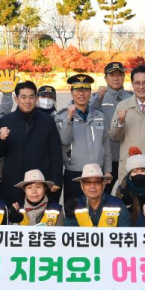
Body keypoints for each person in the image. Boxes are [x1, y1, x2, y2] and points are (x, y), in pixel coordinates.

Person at [0, 81, 63, 205]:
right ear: (16, 98)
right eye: (23, 97)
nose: (27, 101)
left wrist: (56, 179)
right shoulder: (6, 121)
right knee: (15, 218)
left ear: (36, 98)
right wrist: (1, 139)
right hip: (13, 181)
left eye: (31, 97)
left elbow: (55, 152)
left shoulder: (47, 121)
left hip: (40, 182)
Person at [56, 74, 111, 204]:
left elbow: (106, 145)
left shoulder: (99, 116)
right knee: (73, 211)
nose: (81, 93)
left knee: (97, 210)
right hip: (74, 172)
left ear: (90, 92)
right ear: (71, 92)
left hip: (97, 173)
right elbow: (64, 140)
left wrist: (108, 170)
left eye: (85, 89)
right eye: (77, 89)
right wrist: (69, 118)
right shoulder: (61, 117)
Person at [90, 61, 133, 188]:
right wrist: (98, 98)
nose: (116, 78)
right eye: (112, 75)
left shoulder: (132, 98)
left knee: (128, 195)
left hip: (127, 156)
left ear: (124, 77)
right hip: (106, 158)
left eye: (119, 75)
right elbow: (87, 115)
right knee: (103, 194)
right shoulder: (98, 97)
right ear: (105, 78)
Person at [63, 164, 130, 227]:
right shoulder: (74, 206)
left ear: (103, 184)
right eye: (87, 182)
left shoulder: (118, 205)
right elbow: (70, 235)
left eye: (97, 182)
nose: (92, 186)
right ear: (81, 185)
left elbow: (126, 233)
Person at [113, 147, 145, 227]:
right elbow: (119, 219)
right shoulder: (122, 190)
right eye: (134, 171)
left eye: (142, 171)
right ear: (129, 175)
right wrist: (128, 206)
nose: (138, 174)